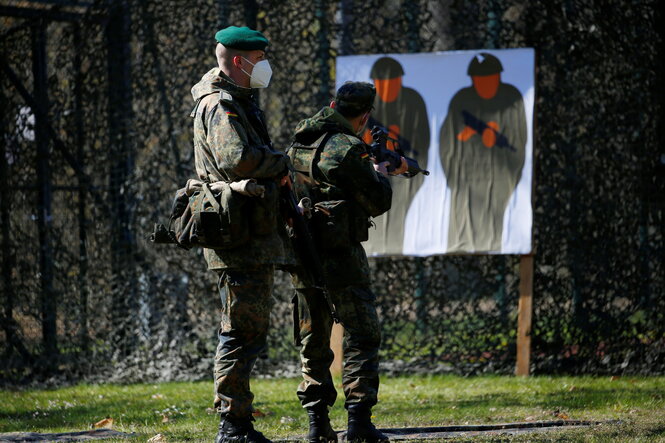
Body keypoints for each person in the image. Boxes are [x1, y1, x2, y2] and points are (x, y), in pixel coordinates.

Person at [190, 26, 294, 443]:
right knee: (239, 329)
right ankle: (232, 427)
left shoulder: (239, 102)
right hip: (237, 234)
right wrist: (281, 161)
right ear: (238, 61)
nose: (264, 65)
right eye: (258, 57)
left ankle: (237, 422)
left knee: (248, 328)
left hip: (250, 231)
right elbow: (238, 159)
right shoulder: (221, 105)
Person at [288, 82, 406, 443]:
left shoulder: (298, 143)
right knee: (361, 334)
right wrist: (382, 172)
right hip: (341, 256)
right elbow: (377, 201)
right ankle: (358, 424)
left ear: (332, 104)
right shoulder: (348, 148)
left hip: (301, 253)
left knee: (313, 340)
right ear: (365, 115)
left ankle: (317, 426)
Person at [439, 52, 527, 252]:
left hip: (499, 178)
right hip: (465, 178)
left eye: (489, 79)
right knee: (461, 235)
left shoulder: (511, 97)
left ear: (498, 77)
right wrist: (466, 135)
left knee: (495, 233)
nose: (484, 85)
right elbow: (447, 141)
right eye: (479, 80)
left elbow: (519, 140)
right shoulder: (461, 99)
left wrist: (497, 140)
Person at [361, 56, 430, 255]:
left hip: (400, 171)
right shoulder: (368, 105)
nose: (388, 86)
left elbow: (423, 141)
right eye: (382, 82)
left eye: (392, 81)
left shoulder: (412, 100)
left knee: (397, 216)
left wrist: (399, 148)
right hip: (370, 170)